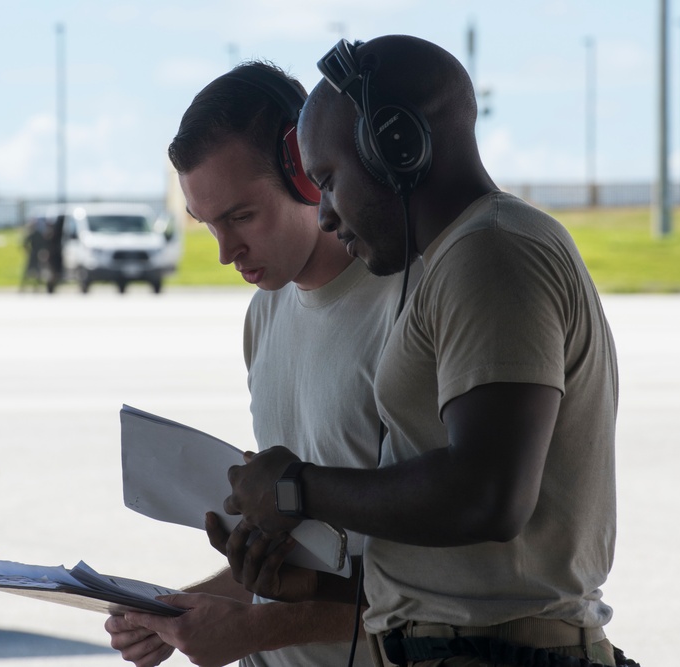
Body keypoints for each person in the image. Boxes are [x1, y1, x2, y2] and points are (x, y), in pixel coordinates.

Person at [222, 35, 634, 667]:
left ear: (396, 150)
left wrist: (295, 489)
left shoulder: (492, 254)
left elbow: (486, 495)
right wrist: (312, 587)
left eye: (330, 180)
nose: (326, 215)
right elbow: (463, 559)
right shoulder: (453, 262)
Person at [104, 62, 416, 667]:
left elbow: (437, 587)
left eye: (241, 217)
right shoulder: (264, 315)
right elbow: (302, 558)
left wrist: (251, 632)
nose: (226, 253)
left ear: (307, 176)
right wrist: (176, 612)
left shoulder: (408, 306)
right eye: (208, 224)